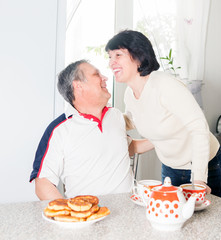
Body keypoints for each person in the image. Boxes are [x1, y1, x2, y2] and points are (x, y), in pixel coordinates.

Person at [105, 30, 221, 197]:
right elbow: (133, 120)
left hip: (205, 165)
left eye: (118, 55)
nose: (112, 63)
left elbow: (199, 129)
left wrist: (199, 181)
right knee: (172, 217)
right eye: (110, 57)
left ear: (139, 56)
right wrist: (103, 116)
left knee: (204, 221)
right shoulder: (130, 93)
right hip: (170, 167)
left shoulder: (165, 86)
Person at [30, 59, 153, 200]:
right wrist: (70, 217)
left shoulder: (115, 115)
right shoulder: (59, 130)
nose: (105, 78)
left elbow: (126, 148)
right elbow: (42, 183)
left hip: (129, 209)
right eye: (97, 75)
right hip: (88, 215)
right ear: (78, 86)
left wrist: (167, 138)